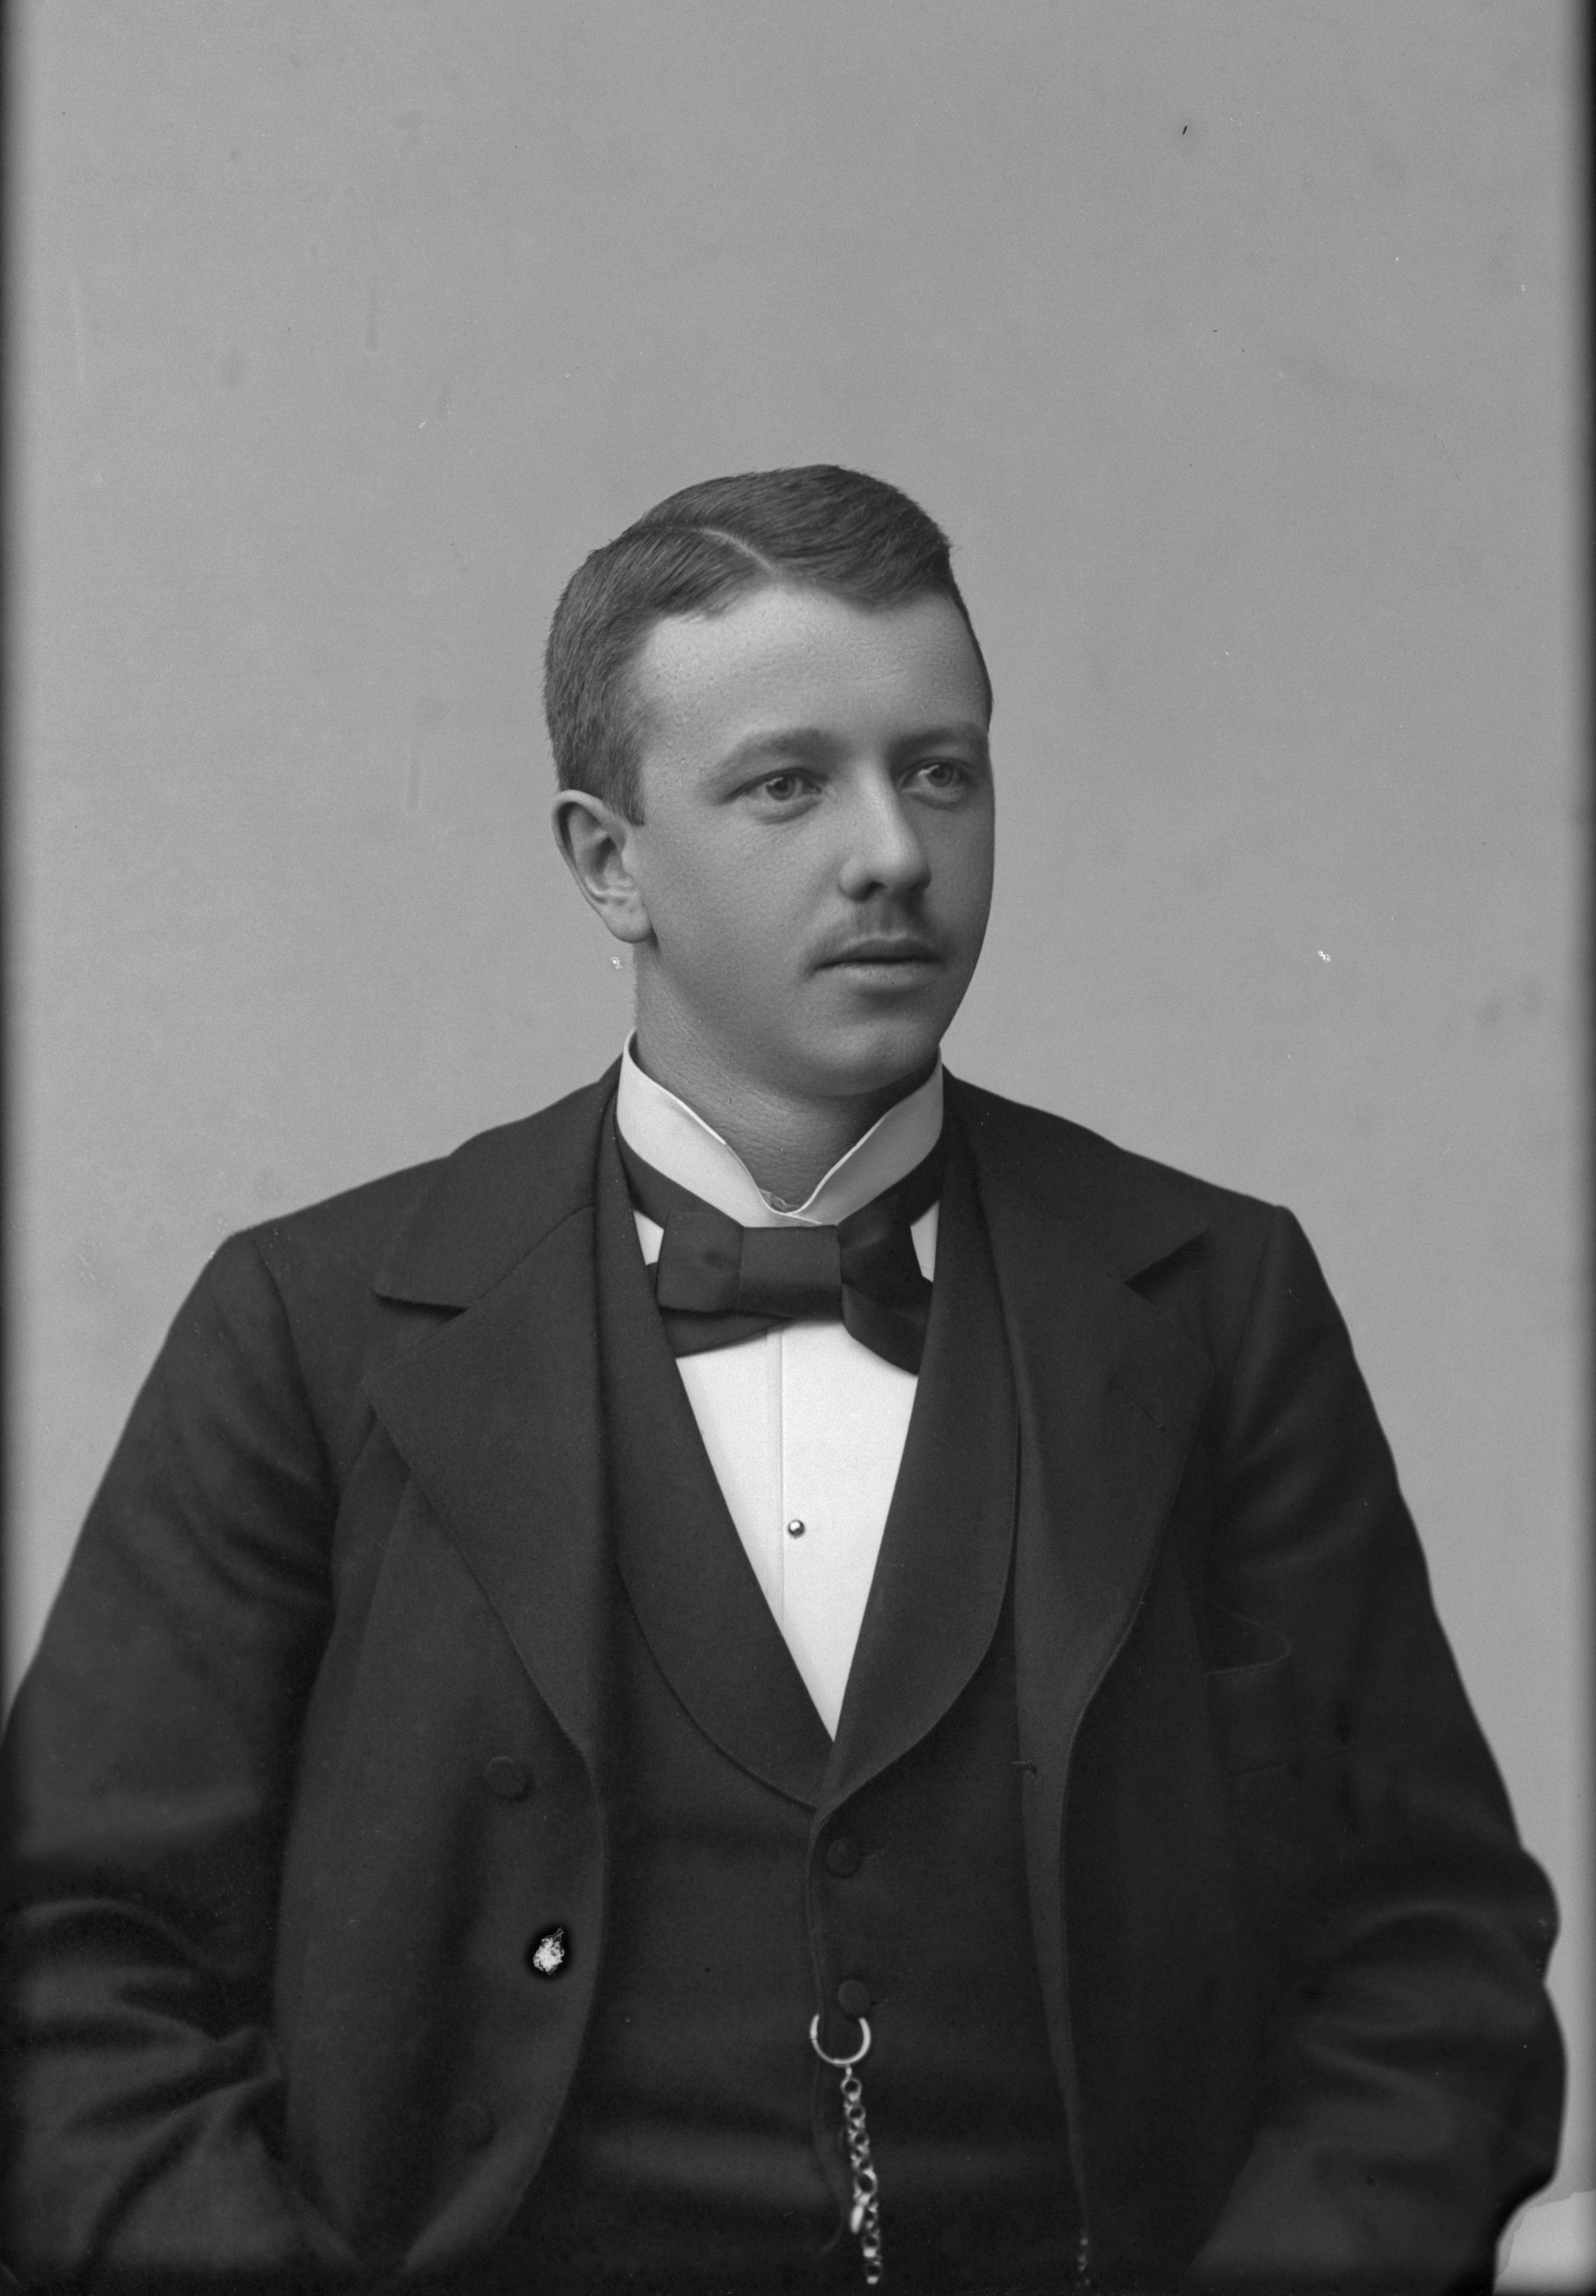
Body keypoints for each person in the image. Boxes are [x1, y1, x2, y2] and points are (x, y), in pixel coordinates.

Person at [2, 466, 1563, 2295]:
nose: (893, 850)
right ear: (609, 861)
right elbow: (70, 1972)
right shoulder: (311, 1327)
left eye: (942, 770)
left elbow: (1429, 1952)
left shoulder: (1216, 1302)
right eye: (787, 784)